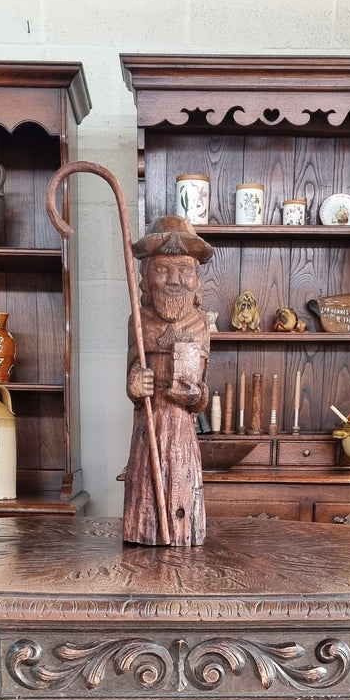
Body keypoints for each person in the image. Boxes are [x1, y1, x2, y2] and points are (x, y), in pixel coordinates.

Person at [123, 215, 213, 546]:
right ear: (146, 278)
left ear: (196, 280)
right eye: (162, 270)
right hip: (148, 428)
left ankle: (183, 533)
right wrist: (135, 385)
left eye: (184, 270)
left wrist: (195, 396)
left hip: (182, 431)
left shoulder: (200, 324)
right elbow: (131, 375)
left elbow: (202, 392)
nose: (174, 280)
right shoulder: (139, 320)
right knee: (147, 488)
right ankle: (144, 533)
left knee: (182, 492)